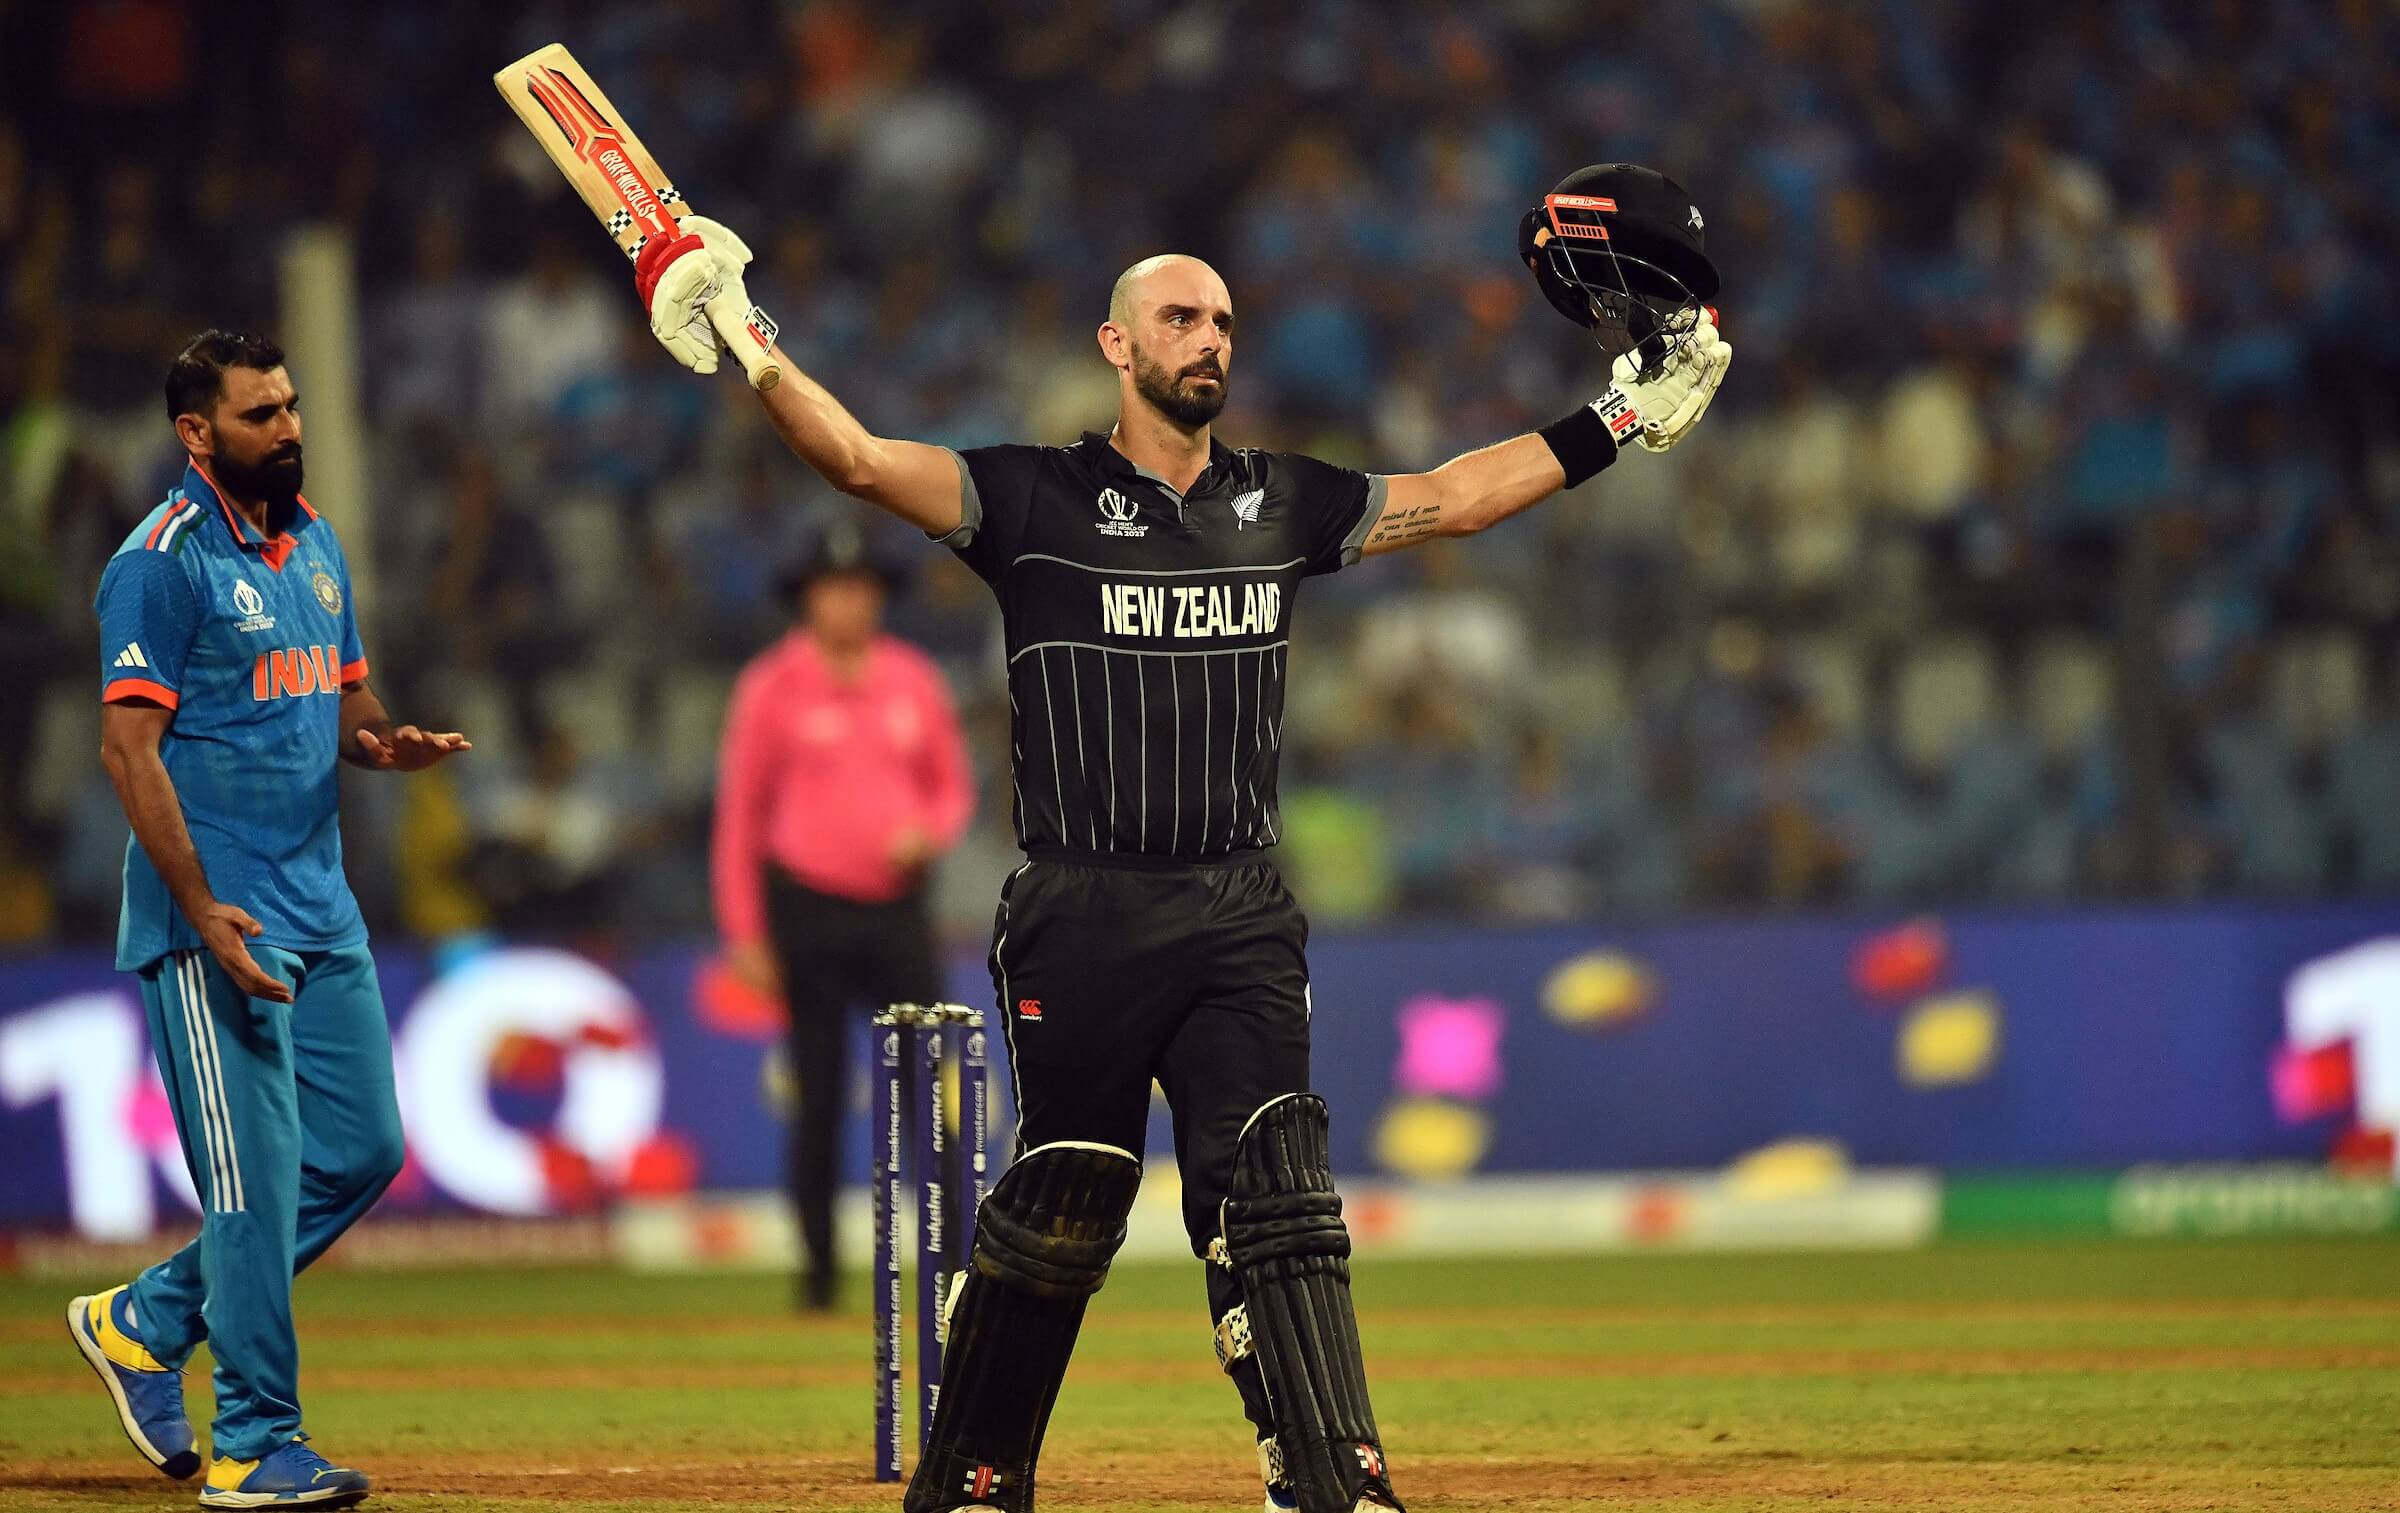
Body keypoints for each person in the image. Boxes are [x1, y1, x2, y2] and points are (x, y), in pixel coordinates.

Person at [634, 165, 1731, 1513]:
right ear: (1116, 344)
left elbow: (1456, 495)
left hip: (1237, 909)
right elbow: (858, 461)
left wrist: (1618, 415)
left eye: (1221, 323)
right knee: (1068, 1194)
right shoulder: (1027, 501)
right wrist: (746, 335)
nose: (1209, 340)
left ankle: (1335, 1482)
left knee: (1275, 1179)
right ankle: (973, 1481)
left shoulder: (1279, 501)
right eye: (1179, 321)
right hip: (1079, 909)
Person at [68, 331, 470, 1510]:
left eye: (290, 407)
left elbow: (340, 694)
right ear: (198, 434)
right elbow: (126, 748)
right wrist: (198, 907)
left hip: (323, 911)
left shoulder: (316, 542)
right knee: (249, 1187)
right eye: (260, 415)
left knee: (362, 1152)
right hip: (219, 923)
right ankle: (252, 1443)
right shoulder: (159, 564)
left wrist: (382, 739)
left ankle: (145, 1319)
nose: (288, 429)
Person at [712, 525, 974, 1310]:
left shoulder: (913, 679)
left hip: (897, 909)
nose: (850, 601)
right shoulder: (770, 686)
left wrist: (931, 830)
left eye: (862, 587)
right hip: (808, 908)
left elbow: (954, 786)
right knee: (819, 1094)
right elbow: (740, 818)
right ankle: (818, 1272)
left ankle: (958, 1267)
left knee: (928, 1089)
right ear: (807, 599)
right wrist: (745, 930)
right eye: (834, 587)